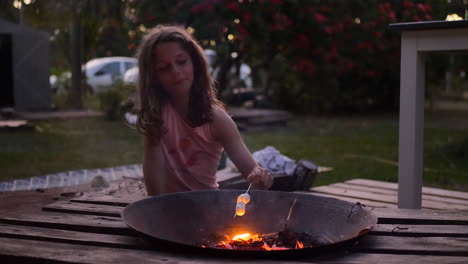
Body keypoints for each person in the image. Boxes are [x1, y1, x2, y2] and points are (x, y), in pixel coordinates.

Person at [135, 25, 273, 196]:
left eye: (181, 61)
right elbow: (154, 176)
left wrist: (259, 177)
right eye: (164, 68)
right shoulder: (157, 115)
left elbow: (250, 169)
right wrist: (157, 211)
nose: (175, 71)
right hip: (167, 209)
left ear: (195, 63)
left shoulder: (217, 119)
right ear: (154, 77)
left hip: (207, 208)